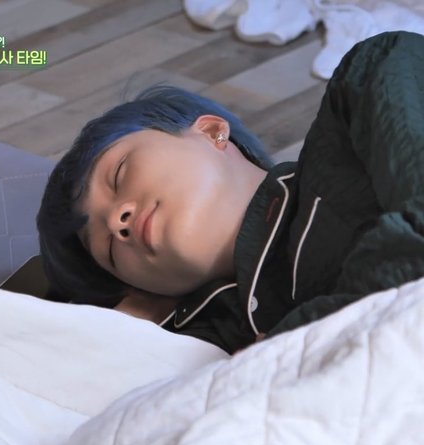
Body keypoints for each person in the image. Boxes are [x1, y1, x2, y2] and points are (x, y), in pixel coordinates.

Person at [37, 31, 424, 354]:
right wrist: (130, 334)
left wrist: (291, 346)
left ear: (210, 131)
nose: (115, 220)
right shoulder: (204, 356)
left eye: (120, 174)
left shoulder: (367, 80)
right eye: (109, 250)